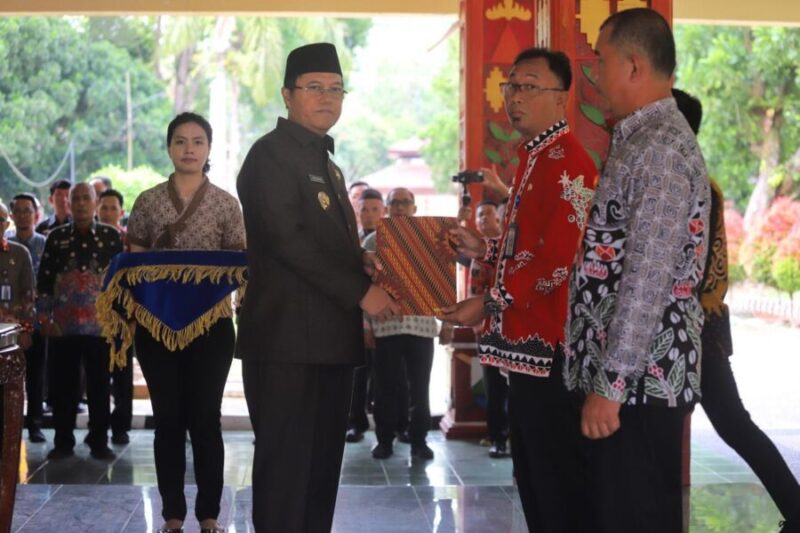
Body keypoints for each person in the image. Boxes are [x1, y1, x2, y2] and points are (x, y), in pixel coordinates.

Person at [236, 42, 399, 533]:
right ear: (287, 95)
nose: (327, 98)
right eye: (314, 88)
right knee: (286, 471)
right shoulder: (270, 155)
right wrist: (359, 291)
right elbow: (287, 241)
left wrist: (363, 261)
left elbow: (324, 244)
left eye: (335, 89)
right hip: (287, 341)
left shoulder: (328, 162)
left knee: (321, 471)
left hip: (328, 341)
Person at [563, 10, 711, 532]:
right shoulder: (639, 139)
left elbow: (647, 277)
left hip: (639, 386)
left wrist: (611, 384)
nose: (594, 75)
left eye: (600, 61)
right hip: (629, 382)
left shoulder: (662, 150)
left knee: (634, 516)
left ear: (632, 65)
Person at [439, 47, 598, 532]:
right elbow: (526, 250)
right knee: (531, 477)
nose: (514, 96)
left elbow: (557, 262)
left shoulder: (570, 162)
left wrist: (486, 301)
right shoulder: (532, 159)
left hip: (551, 348)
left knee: (553, 483)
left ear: (561, 98)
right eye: (511, 86)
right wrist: (483, 248)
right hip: (524, 346)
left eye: (529, 85)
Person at [673, 88, 800, 533]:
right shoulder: (690, 178)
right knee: (718, 424)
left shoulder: (694, 183)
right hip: (692, 324)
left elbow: (702, 272)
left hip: (694, 326)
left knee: (733, 424)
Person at [125, 112, 245, 533]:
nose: (189, 149)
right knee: (168, 421)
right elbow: (132, 262)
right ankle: (173, 514)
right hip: (157, 326)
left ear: (209, 149)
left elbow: (239, 266)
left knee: (205, 420)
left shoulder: (227, 204)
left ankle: (209, 514)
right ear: (169, 148)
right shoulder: (147, 201)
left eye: (197, 141)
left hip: (211, 327)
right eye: (180, 141)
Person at [38, 183, 123, 461]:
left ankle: (99, 440)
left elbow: (121, 280)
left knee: (100, 386)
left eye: (87, 198)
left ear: (96, 201)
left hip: (101, 326)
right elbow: (45, 280)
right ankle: (63, 441)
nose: (82, 203)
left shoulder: (111, 237)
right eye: (76, 198)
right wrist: (43, 316)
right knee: (64, 386)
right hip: (64, 327)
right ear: (69, 203)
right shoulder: (56, 237)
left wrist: (122, 317)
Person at [364, 187, 444, 461]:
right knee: (385, 388)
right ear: (387, 209)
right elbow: (363, 288)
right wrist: (366, 327)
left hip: (422, 327)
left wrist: (448, 321)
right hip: (386, 326)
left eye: (405, 202)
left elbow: (441, 283)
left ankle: (419, 441)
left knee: (420, 388)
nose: (399, 207)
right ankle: (384, 441)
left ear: (414, 208)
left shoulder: (432, 240)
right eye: (394, 203)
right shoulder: (373, 242)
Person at [468, 199, 509, 458]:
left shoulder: (517, 247)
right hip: (490, 331)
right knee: (494, 389)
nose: (484, 219)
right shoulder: (480, 255)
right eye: (479, 215)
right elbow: (476, 294)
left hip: (520, 332)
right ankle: (497, 438)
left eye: (490, 215)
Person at [346, 188, 386, 443]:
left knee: (387, 377)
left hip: (386, 321)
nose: (369, 214)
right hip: (356, 322)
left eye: (375, 209)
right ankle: (355, 423)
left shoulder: (389, 241)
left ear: (383, 212)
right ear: (357, 213)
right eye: (364, 209)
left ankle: (390, 426)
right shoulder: (351, 245)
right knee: (358, 376)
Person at [7, 193, 48, 442]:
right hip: (9, 322)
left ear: (37, 214)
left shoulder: (46, 243)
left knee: (36, 374)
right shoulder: (6, 245)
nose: (23, 215)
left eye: (27, 210)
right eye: (18, 210)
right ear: (11, 215)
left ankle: (35, 423)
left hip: (36, 319)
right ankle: (11, 424)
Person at [96, 187, 132, 444]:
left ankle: (121, 428)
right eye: (104, 207)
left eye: (113, 208)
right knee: (98, 376)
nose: (108, 212)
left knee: (123, 373)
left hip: (124, 316)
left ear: (121, 212)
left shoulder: (128, 241)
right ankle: (98, 428)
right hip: (96, 318)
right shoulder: (91, 237)